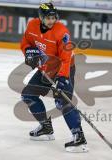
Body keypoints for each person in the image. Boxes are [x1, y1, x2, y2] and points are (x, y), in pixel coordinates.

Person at [20, 3, 88, 152]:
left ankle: (79, 137)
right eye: (48, 17)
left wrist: (62, 78)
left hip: (65, 68)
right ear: (40, 17)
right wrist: (29, 52)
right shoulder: (32, 26)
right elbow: (25, 42)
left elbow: (66, 58)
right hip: (47, 68)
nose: (51, 21)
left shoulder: (61, 32)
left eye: (53, 17)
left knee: (62, 102)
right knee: (28, 95)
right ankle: (45, 127)